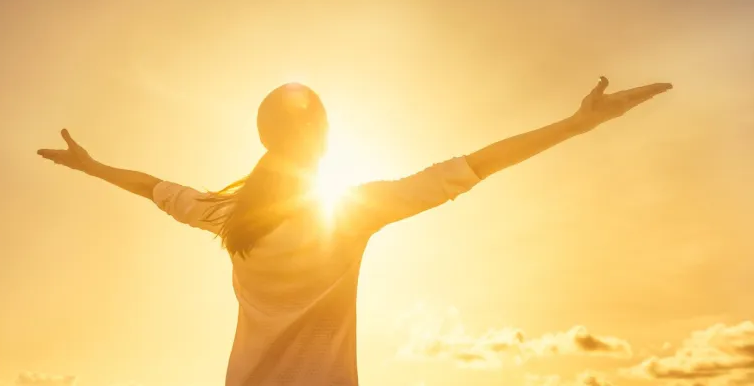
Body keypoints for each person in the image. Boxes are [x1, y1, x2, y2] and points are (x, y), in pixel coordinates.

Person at [37, 76, 672, 386]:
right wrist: (576, 124)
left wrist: (92, 166)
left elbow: (153, 187)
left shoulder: (228, 216)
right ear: (320, 138)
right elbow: (476, 165)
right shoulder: (353, 211)